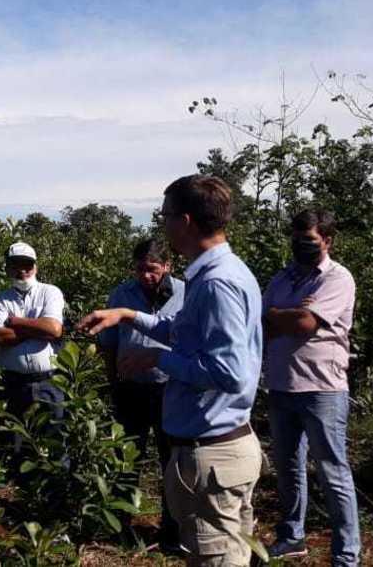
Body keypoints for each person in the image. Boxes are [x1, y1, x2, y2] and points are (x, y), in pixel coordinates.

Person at [77, 175, 263, 567]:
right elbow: (181, 332)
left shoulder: (216, 283)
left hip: (212, 453)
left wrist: (156, 359)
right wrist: (127, 315)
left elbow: (229, 372)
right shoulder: (217, 274)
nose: (162, 224)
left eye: (165, 216)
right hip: (217, 448)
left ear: (186, 221)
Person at [263, 210, 360, 566]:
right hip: (281, 385)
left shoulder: (337, 278)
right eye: (296, 239)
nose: (300, 246)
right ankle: (292, 537)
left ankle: (346, 555)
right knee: (288, 467)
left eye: (308, 240)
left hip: (322, 388)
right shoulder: (281, 278)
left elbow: (305, 323)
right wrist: (287, 314)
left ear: (327, 241)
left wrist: (283, 314)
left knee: (332, 471)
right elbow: (262, 322)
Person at [98, 238, 185, 554]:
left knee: (171, 461)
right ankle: (119, 526)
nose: (146, 276)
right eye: (140, 269)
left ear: (167, 266)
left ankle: (172, 532)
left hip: (170, 389)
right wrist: (113, 381)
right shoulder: (122, 294)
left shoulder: (186, 293)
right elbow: (108, 342)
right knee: (126, 460)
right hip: (131, 389)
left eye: (152, 269)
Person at [0, 242, 66, 453]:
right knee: (16, 445)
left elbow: (53, 330)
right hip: (14, 384)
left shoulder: (50, 292)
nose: (22, 271)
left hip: (49, 382)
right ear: (7, 269)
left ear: (35, 267)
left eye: (27, 265)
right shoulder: (2, 299)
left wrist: (16, 322)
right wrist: (37, 328)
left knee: (54, 442)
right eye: (15, 265)